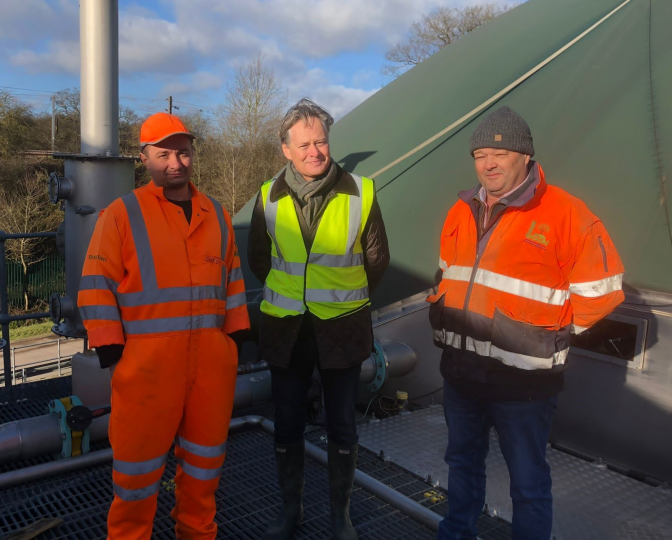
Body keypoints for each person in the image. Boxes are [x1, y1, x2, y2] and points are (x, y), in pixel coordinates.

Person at [429, 106, 625, 540]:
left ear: (526, 157)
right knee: (460, 464)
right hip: (461, 373)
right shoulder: (460, 210)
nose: (489, 164)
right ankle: (456, 533)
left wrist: (546, 334)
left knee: (528, 483)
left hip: (523, 387)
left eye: (500, 153)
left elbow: (603, 293)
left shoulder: (566, 214)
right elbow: (446, 274)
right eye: (480, 154)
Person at [78, 112, 249, 540]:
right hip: (146, 368)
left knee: (205, 468)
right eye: (164, 153)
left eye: (183, 152)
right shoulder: (122, 214)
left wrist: (237, 336)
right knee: (136, 476)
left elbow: (233, 279)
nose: (176, 162)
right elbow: (96, 281)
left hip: (211, 366)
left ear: (193, 155)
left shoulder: (217, 214)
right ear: (144, 158)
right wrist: (111, 349)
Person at [248, 98, 390, 540]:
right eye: (304, 144)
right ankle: (291, 513)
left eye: (322, 141)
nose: (315, 151)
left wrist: (336, 295)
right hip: (287, 328)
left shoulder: (361, 192)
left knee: (342, 423)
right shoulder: (267, 196)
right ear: (286, 150)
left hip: (342, 328)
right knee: (287, 422)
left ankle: (340, 518)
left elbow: (377, 260)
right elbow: (258, 258)